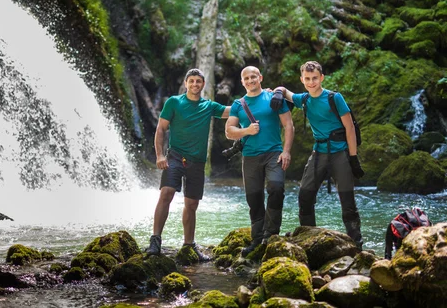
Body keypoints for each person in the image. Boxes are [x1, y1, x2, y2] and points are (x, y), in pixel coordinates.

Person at [271, 61, 364, 249]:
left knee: (348, 202)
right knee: (305, 196)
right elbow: (286, 91)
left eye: (314, 78)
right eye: (307, 79)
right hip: (318, 152)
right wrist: (278, 92)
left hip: (340, 153)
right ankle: (308, 238)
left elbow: (350, 128)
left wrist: (353, 158)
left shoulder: (334, 98)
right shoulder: (304, 99)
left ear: (321, 78)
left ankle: (357, 244)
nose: (311, 82)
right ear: (302, 79)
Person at [145, 68, 230, 259]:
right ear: (186, 83)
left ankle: (189, 245)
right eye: (191, 81)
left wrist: (254, 97)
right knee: (166, 193)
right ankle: (155, 240)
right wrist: (159, 156)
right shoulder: (174, 102)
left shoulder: (208, 106)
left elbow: (232, 111)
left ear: (203, 84)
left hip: (197, 162)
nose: (194, 84)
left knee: (191, 204)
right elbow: (160, 129)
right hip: (175, 156)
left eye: (198, 81)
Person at [225, 66, 294, 256]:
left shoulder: (273, 98)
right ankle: (257, 239)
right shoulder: (239, 104)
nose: (250, 80)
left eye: (253, 77)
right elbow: (229, 131)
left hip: (274, 153)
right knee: (254, 198)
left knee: (276, 188)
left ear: (260, 78)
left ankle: (270, 235)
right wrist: (246, 131)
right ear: (242, 82)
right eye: (246, 78)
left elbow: (288, 125)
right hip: (250, 156)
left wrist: (286, 151)